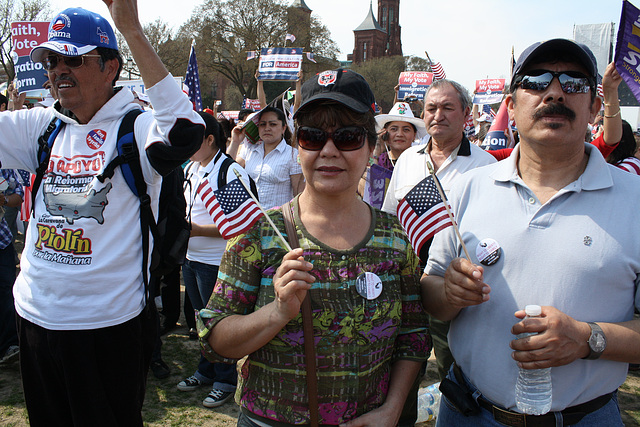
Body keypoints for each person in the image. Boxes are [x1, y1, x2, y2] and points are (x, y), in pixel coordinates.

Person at [0, 3, 205, 425]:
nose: (59, 69)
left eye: (73, 58)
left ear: (111, 67)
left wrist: (129, 27)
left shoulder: (137, 127)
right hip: (36, 320)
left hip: (108, 327)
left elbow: (186, 131)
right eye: (51, 60)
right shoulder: (44, 127)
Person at [422, 38, 640, 426]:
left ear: (593, 106)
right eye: (536, 81)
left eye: (574, 82)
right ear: (511, 103)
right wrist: (449, 293)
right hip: (467, 413)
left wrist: (588, 338)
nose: (554, 91)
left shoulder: (635, 200)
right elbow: (432, 293)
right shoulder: (468, 188)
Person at [197, 68, 430, 426]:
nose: (329, 150)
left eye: (349, 137)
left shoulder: (395, 238)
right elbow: (215, 340)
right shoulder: (258, 233)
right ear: (298, 145)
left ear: (371, 146)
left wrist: (393, 409)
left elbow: (413, 336)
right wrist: (276, 312)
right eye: (313, 136)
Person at [381, 79, 496, 402]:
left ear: (465, 114)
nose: (438, 115)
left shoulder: (486, 166)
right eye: (431, 108)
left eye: (448, 107)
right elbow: (391, 218)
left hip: (453, 288)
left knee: (454, 369)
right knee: (399, 366)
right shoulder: (407, 161)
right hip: (404, 283)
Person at [177, 111, 248, 408]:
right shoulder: (192, 167)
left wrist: (192, 229)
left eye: (193, 140)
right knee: (199, 318)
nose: (186, 146)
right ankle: (206, 371)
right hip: (191, 258)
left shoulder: (229, 173)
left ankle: (225, 380)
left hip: (216, 261)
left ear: (209, 139)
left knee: (218, 324)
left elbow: (238, 226)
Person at [235, 106, 304, 209]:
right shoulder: (250, 150)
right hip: (251, 218)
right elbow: (228, 171)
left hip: (278, 221)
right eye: (263, 124)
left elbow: (298, 194)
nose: (267, 128)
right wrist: (235, 141)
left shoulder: (293, 155)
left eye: (273, 124)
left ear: (283, 128)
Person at [0, 169, 23, 364]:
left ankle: (10, 345)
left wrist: (4, 201)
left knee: (7, 290)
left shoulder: (3, 165)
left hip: (2, 242)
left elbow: (18, 196)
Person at [374, 101, 427, 171]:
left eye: (406, 130)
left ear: (414, 135)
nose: (399, 134)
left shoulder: (422, 162)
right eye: (394, 129)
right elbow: (367, 176)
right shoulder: (380, 160)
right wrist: (376, 151)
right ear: (384, 133)